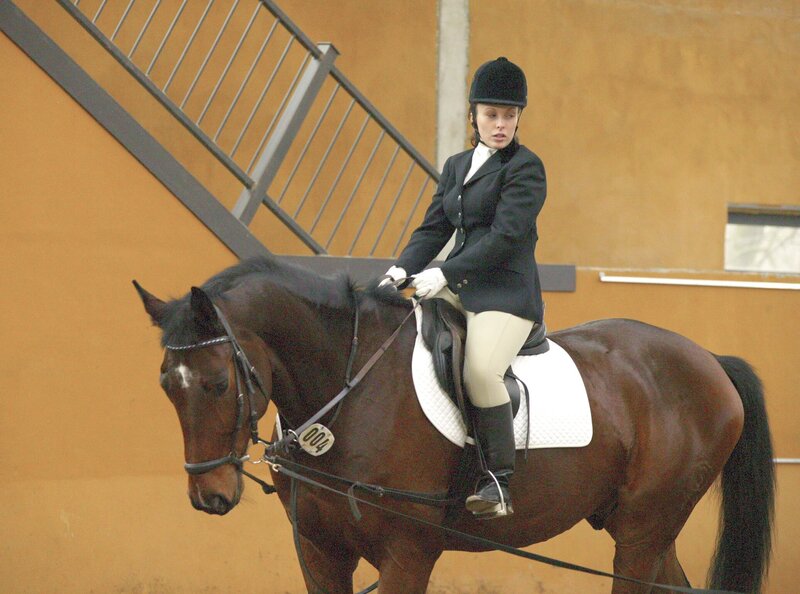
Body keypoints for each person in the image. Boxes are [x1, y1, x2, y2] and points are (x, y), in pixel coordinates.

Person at [381, 57, 546, 519]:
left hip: (506, 296)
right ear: (473, 115)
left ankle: (497, 481)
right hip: (458, 283)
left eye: (509, 116)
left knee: (480, 372)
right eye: (492, 115)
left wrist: (444, 275)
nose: (500, 125)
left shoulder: (527, 168)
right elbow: (434, 228)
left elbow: (505, 238)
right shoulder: (456, 165)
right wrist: (401, 269)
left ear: (518, 118)